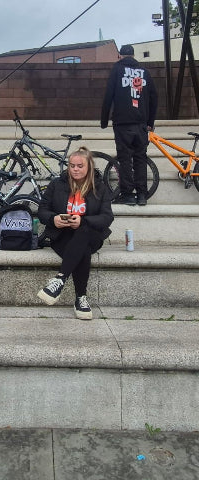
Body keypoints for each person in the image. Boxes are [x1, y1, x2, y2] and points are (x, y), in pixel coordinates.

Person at [37, 146, 113, 320]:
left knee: (84, 230)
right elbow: (42, 210)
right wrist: (53, 219)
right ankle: (81, 298)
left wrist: (83, 220)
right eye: (72, 166)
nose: (75, 169)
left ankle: (60, 279)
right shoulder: (57, 184)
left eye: (80, 166)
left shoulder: (99, 187)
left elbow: (107, 217)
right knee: (82, 251)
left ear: (89, 167)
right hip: (62, 236)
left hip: (91, 235)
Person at [100, 44, 158, 206]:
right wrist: (150, 123)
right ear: (133, 55)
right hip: (141, 124)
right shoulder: (144, 72)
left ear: (120, 56)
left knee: (125, 159)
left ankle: (127, 195)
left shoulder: (117, 70)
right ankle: (141, 195)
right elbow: (154, 97)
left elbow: (108, 96)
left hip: (122, 123)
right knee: (140, 158)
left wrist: (104, 121)